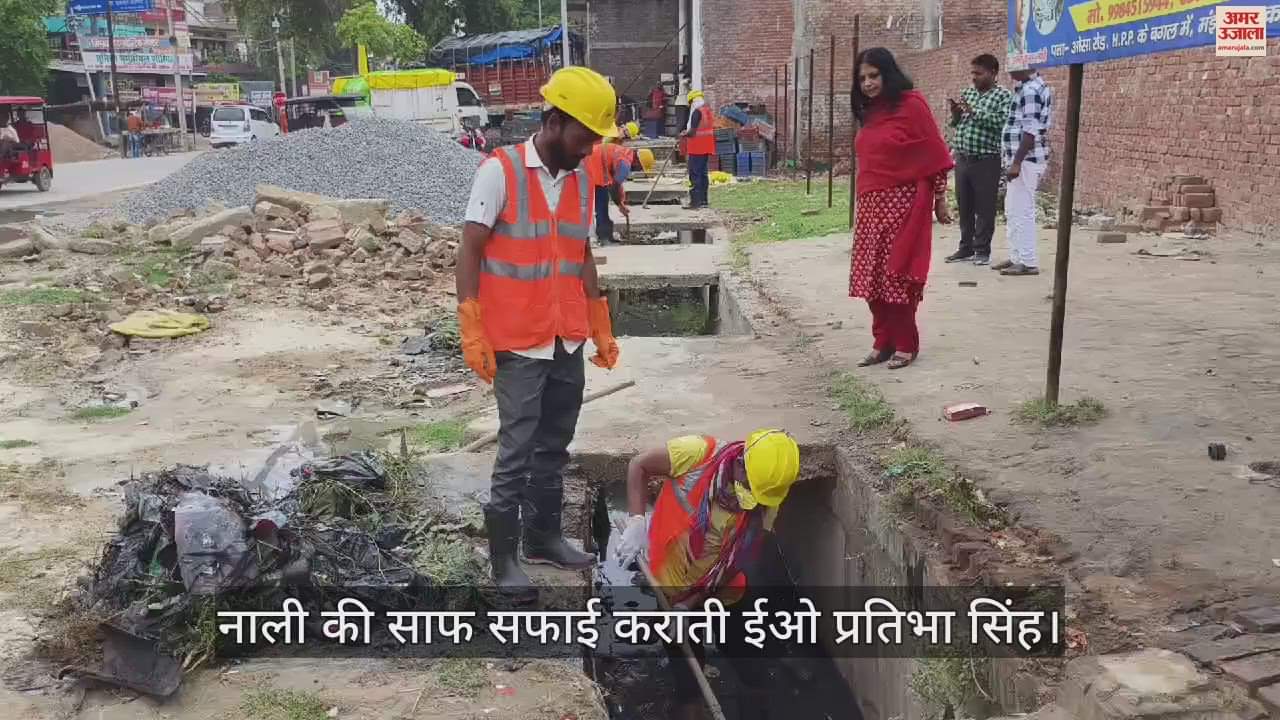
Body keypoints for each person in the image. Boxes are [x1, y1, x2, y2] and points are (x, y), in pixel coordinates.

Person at [456, 66, 622, 601]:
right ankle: (503, 558)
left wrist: (598, 320)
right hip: (518, 339)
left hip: (565, 336)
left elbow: (580, 252)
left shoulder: (580, 175)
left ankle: (544, 538)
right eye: (585, 135)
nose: (591, 146)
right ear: (554, 121)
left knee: (554, 444)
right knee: (517, 447)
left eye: (597, 138)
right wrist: (472, 324)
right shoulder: (499, 171)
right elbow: (470, 250)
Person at [616, 429, 801, 720]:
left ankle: (755, 704)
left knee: (750, 663)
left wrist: (690, 605)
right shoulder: (697, 454)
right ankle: (690, 706)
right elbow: (639, 464)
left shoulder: (768, 497)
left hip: (723, 589)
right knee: (687, 669)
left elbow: (737, 559)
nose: (753, 498)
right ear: (741, 462)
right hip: (672, 583)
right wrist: (637, 520)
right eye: (750, 486)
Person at [849, 48, 954, 371]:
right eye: (863, 78)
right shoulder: (869, 113)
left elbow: (933, 153)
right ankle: (882, 342)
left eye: (874, 75)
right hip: (870, 208)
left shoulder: (912, 106)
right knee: (870, 279)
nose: (868, 83)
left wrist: (939, 199)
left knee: (896, 276)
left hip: (903, 206)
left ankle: (907, 344)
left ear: (888, 74)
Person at [945, 54, 1013, 266]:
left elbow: (1001, 123)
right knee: (964, 205)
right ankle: (965, 248)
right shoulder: (968, 93)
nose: (974, 77)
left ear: (993, 73)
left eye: (979, 73)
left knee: (984, 207)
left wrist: (974, 113)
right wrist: (956, 114)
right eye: (972, 73)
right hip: (963, 158)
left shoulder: (1003, 96)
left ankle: (982, 250)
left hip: (986, 159)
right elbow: (957, 124)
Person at [995, 60, 1054, 277]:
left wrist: (1017, 162)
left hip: (1027, 159)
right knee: (1012, 209)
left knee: (1023, 210)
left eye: (1012, 64)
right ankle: (1016, 256)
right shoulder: (1027, 87)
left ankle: (1028, 261)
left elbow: (1031, 129)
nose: (1008, 69)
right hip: (1019, 159)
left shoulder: (1030, 90)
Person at [585, 121, 639, 245]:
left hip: (595, 166)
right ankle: (604, 236)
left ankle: (605, 235)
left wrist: (621, 203)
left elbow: (617, 184)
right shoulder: (626, 162)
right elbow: (615, 185)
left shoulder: (624, 153)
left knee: (601, 205)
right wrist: (620, 204)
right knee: (601, 206)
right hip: (593, 168)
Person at [681, 89, 713, 209]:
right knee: (703, 174)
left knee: (694, 175)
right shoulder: (707, 110)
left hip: (696, 148)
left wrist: (684, 134)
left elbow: (693, 132)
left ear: (692, 101)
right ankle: (704, 201)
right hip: (706, 147)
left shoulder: (696, 112)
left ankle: (695, 202)